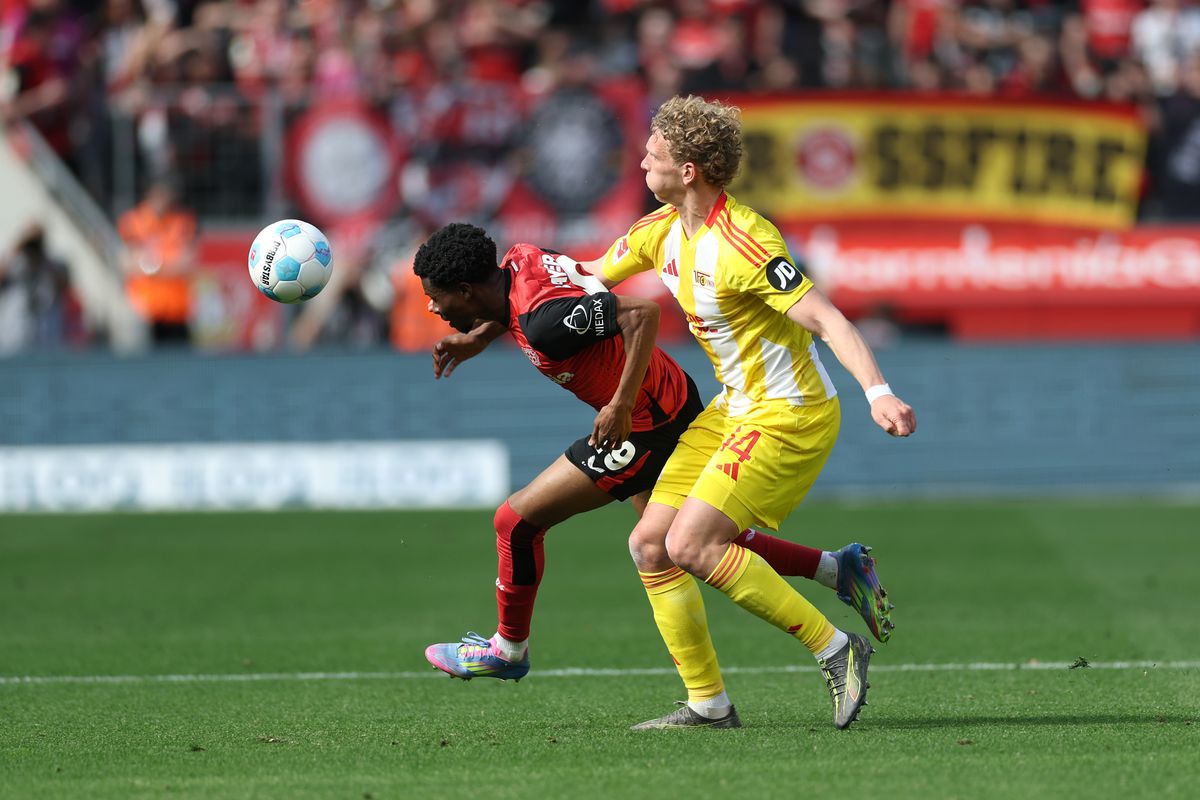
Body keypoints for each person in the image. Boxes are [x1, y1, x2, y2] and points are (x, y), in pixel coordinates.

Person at [415, 223, 893, 699]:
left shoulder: (544, 322)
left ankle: (507, 650)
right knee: (681, 538)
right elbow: (526, 304)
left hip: (646, 424)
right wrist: (479, 337)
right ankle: (835, 570)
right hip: (665, 397)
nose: (433, 308)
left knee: (516, 522)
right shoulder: (521, 259)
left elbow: (639, 313)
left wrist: (620, 404)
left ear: (466, 290)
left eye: (437, 297)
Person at [584, 95, 916, 731]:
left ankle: (837, 649)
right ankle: (709, 705)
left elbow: (826, 317)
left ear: (687, 170)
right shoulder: (658, 233)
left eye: (652, 151)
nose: (641, 160)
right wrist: (498, 300)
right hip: (734, 411)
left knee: (692, 542)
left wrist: (879, 392)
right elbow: (586, 276)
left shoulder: (745, 240)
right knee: (651, 545)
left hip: (790, 415)